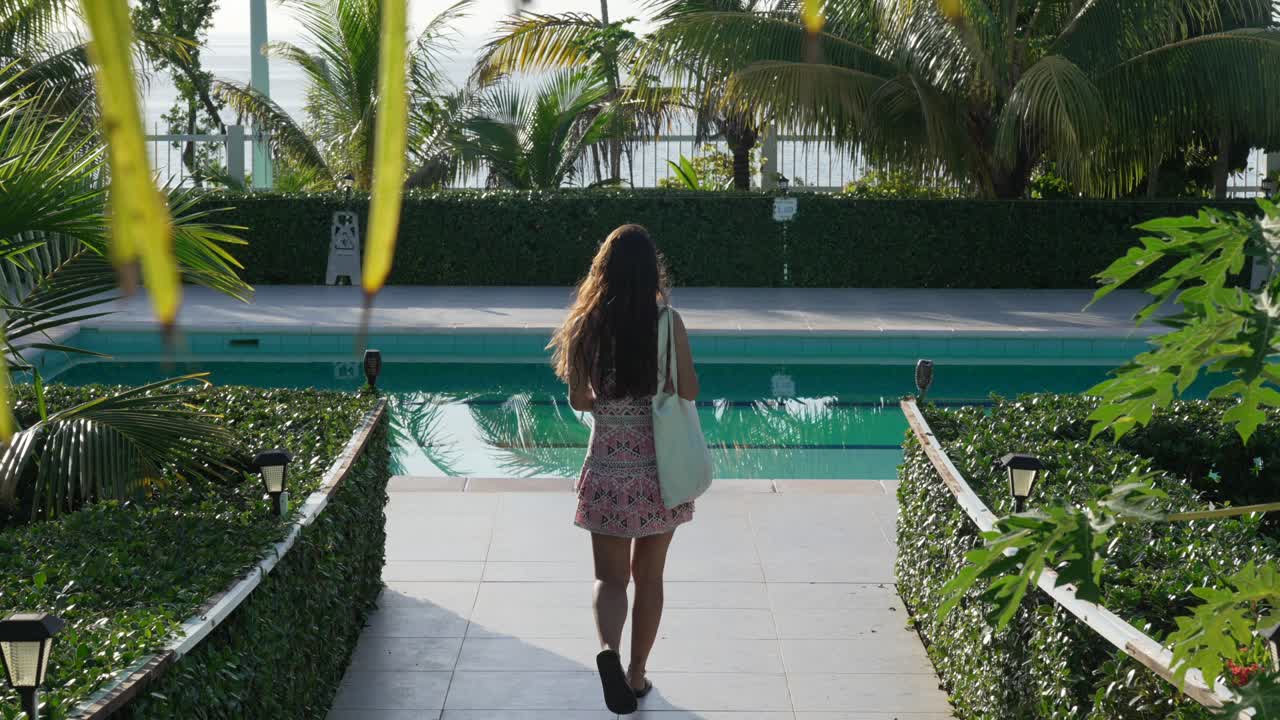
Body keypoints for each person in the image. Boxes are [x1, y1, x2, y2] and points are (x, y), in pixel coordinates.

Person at [548, 223, 699, 715]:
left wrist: (609, 407)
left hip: (608, 469)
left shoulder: (586, 324)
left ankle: (608, 652)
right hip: (661, 471)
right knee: (649, 578)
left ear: (604, 269)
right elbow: (689, 390)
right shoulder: (667, 322)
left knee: (610, 581)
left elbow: (578, 399)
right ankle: (635, 675)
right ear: (651, 269)